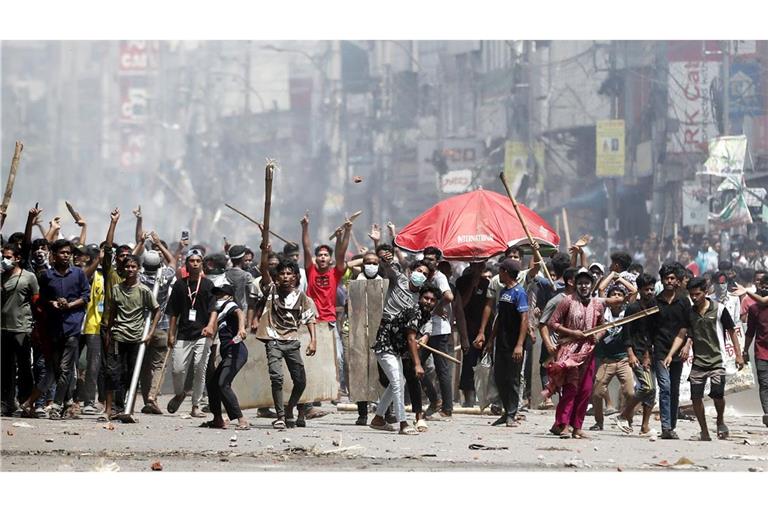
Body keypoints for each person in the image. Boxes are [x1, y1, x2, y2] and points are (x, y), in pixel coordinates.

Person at [664, 277, 744, 440]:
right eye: (691, 295)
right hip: (699, 362)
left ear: (705, 293)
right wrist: (671, 354)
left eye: (697, 294)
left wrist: (738, 355)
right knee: (696, 397)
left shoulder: (720, 309)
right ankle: (704, 431)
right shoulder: (690, 313)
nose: (694, 298)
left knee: (717, 394)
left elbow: (732, 331)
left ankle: (720, 420)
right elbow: (683, 334)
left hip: (717, 360)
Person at [21, 239, 90, 419]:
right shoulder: (47, 276)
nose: (66, 256)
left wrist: (70, 305)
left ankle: (57, 405)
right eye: (62, 252)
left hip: (73, 326)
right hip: (53, 329)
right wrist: (53, 303)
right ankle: (33, 402)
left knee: (66, 368)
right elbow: (42, 299)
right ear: (54, 255)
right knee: (54, 369)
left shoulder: (78, 274)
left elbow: (85, 296)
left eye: (68, 253)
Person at [546, 268, 617, 439]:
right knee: (570, 389)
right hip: (569, 351)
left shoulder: (597, 304)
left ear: (592, 285)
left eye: (587, 283)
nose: (584, 286)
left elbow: (603, 325)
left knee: (585, 390)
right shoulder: (567, 301)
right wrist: (572, 333)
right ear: (575, 285)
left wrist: (597, 336)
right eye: (581, 283)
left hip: (589, 352)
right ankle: (563, 425)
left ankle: (577, 426)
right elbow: (552, 323)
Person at [255, 255, 317, 430]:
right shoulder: (271, 290)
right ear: (277, 277)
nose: (285, 277)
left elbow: (309, 318)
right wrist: (264, 248)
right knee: (277, 377)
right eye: (282, 273)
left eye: (289, 273)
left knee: (300, 381)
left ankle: (290, 408)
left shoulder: (301, 296)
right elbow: (264, 271)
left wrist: (313, 340)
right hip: (273, 339)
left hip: (291, 341)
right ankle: (280, 416)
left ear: (296, 277)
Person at [369, 285, 438, 435]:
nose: (428, 302)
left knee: (399, 382)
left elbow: (414, 338)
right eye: (426, 298)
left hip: (396, 350)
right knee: (398, 383)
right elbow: (411, 338)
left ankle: (378, 418)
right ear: (420, 298)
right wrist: (418, 364)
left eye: (432, 300)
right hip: (386, 346)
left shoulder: (425, 315)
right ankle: (403, 423)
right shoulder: (415, 311)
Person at [301, 212, 351, 412]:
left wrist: (347, 232)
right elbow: (305, 247)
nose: (322, 257)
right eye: (319, 255)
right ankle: (311, 396)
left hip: (329, 322)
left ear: (329, 259)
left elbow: (341, 252)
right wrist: (305, 227)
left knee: (337, 358)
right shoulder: (310, 270)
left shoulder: (335, 272)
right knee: (310, 360)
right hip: (311, 322)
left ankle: (336, 392)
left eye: (325, 255)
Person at [102, 255, 162, 421]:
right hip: (118, 336)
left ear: (138, 269)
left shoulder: (143, 290)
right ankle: (112, 409)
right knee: (113, 373)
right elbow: (112, 312)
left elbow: (157, 310)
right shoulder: (116, 289)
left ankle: (128, 408)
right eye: (127, 267)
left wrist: (150, 333)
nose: (130, 270)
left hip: (136, 338)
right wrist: (108, 332)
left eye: (133, 267)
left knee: (130, 375)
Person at [166, 248, 218, 418]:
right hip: (183, 334)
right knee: (177, 369)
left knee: (199, 368)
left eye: (198, 261)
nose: (195, 264)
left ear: (202, 264)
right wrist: (171, 333)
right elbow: (173, 312)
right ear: (186, 263)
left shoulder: (208, 285)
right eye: (192, 261)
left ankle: (195, 405)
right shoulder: (180, 285)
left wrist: (210, 326)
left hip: (203, 334)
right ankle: (180, 393)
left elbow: (213, 310)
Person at [485, 258, 529, 427]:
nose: (499, 274)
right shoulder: (503, 292)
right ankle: (505, 411)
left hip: (514, 343)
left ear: (506, 272)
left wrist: (519, 344)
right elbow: (499, 318)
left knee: (513, 379)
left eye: (501, 271)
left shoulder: (519, 292)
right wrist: (491, 340)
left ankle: (511, 413)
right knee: (500, 377)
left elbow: (524, 319)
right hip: (501, 342)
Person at [614, 273, 658, 435]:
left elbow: (652, 333)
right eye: (646, 289)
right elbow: (626, 333)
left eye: (652, 289)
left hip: (650, 353)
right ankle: (623, 414)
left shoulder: (654, 307)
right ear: (639, 290)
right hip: (637, 353)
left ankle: (644, 426)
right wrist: (631, 354)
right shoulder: (633, 308)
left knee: (652, 391)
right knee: (646, 386)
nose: (650, 292)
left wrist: (649, 354)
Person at [652, 263, 692, 440]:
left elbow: (687, 327)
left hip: (678, 349)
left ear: (677, 281)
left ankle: (671, 425)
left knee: (674, 388)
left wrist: (686, 345)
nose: (669, 281)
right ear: (662, 280)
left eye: (672, 278)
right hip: (660, 349)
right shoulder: (655, 301)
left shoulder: (683, 301)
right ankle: (666, 426)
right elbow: (649, 329)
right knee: (665, 387)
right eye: (666, 278)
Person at [202, 283, 249, 430]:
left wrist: (241, 328)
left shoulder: (229, 304)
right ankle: (218, 419)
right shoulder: (220, 311)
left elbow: (240, 313)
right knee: (213, 384)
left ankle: (242, 420)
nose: (218, 297)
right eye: (217, 295)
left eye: (221, 294)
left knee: (223, 384)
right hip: (228, 353)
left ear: (229, 296)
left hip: (236, 352)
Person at [138, 243, 177, 415]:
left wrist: (141, 243)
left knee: (144, 366)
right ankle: (152, 397)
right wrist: (160, 243)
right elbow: (173, 262)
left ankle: (147, 397)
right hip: (162, 326)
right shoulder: (165, 277)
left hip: (141, 327)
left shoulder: (138, 278)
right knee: (159, 365)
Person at [1, 244, 39, 416]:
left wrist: (35, 326)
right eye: (3, 255)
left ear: (17, 258)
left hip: (22, 328)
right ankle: (6, 403)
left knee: (24, 368)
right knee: (5, 368)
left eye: (8, 256)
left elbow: (36, 301)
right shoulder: (1, 276)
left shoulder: (28, 277)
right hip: (3, 328)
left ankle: (26, 403)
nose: (4, 259)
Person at [589, 285, 633, 431]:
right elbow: (600, 292)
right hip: (606, 360)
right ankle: (599, 422)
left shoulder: (628, 313)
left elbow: (634, 292)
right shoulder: (602, 313)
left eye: (619, 294)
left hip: (623, 360)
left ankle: (627, 420)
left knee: (630, 393)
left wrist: (619, 278)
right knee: (596, 393)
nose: (616, 297)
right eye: (613, 294)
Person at [421, 246, 455, 418]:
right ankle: (434, 400)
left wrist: (438, 306)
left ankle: (447, 408)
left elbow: (449, 297)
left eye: (431, 259)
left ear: (438, 262)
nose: (428, 261)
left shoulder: (439, 278)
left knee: (442, 370)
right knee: (415, 367)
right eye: (426, 258)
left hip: (439, 330)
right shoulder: (421, 276)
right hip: (424, 329)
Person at [744, 274, 768, 428]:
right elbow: (750, 332)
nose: (764, 288)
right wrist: (744, 351)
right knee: (765, 384)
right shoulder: (753, 308)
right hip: (761, 351)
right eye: (763, 285)